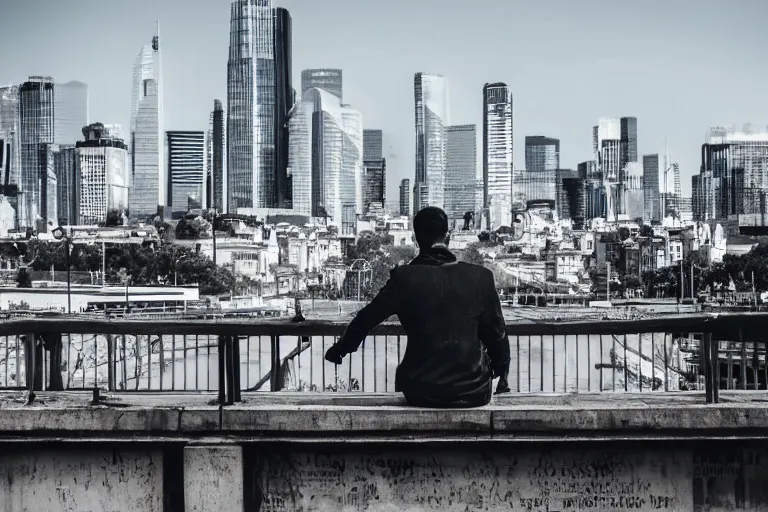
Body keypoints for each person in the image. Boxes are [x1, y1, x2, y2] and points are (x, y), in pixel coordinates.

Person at [325, 207, 510, 407]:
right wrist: (501, 372)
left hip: (422, 390)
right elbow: (497, 334)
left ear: (416, 239)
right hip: (474, 391)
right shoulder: (481, 277)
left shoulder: (404, 279)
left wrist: (340, 350)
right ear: (447, 236)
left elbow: (366, 319)